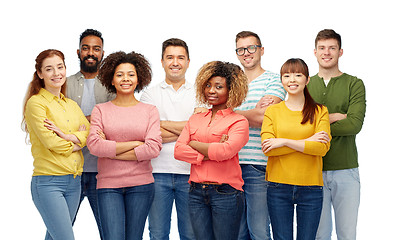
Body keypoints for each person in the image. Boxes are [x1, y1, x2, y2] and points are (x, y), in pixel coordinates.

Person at [86, 51, 162, 240]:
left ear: (138, 79)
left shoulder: (149, 111)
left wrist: (110, 150)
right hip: (108, 186)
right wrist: (136, 144)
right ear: (111, 79)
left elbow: (153, 148)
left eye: (131, 74)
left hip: (141, 185)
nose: (125, 79)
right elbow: (95, 146)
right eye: (119, 75)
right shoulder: (100, 110)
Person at [174, 61, 250, 240]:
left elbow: (226, 151)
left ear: (231, 90)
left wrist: (194, 144)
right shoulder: (196, 118)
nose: (211, 91)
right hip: (196, 192)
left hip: (226, 193)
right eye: (208, 85)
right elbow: (178, 150)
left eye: (218, 86)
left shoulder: (239, 122)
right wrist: (210, 153)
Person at [22, 49, 90, 240]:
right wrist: (77, 141)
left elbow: (90, 134)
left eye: (60, 67)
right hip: (49, 183)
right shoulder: (36, 104)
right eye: (49, 69)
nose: (56, 73)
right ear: (40, 74)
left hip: (75, 182)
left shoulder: (71, 105)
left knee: (54, 237)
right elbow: (53, 143)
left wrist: (67, 136)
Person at [261, 58, 331, 240]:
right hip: (278, 186)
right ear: (281, 80)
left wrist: (283, 141)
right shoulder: (272, 111)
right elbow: (268, 148)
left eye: (298, 75)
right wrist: (307, 141)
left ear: (307, 80)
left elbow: (321, 148)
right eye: (287, 75)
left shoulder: (320, 111)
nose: (292, 80)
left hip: (311, 187)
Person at [307, 29, 366, 240]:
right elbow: (297, 126)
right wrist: (333, 117)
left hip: (346, 169)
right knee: (319, 235)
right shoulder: (304, 85)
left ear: (340, 52)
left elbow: (354, 124)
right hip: (313, 170)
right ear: (315, 52)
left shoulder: (354, 84)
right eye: (322, 48)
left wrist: (315, 126)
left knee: (347, 234)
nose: (327, 52)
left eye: (332, 48)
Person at [140, 38, 196, 240]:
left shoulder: (200, 93)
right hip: (157, 173)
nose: (175, 62)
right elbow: (150, 134)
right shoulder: (149, 94)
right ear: (162, 61)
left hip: (190, 173)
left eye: (180, 57)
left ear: (188, 61)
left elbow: (200, 131)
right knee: (157, 234)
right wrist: (188, 128)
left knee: (190, 234)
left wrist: (163, 125)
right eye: (170, 57)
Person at [234, 30, 286, 240]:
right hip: (231, 166)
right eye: (241, 49)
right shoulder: (232, 84)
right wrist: (250, 113)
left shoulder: (274, 80)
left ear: (261, 50)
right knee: (237, 233)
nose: (246, 53)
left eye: (251, 47)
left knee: (259, 231)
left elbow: (266, 117)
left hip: (259, 165)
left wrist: (231, 114)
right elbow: (219, 119)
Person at [67, 28, 114, 240]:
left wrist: (80, 122)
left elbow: (117, 122)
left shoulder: (113, 85)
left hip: (102, 173)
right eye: (86, 48)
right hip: (70, 172)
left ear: (103, 53)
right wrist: (95, 120)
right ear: (78, 52)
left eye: (96, 49)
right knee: (60, 231)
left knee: (110, 233)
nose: (91, 53)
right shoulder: (63, 84)